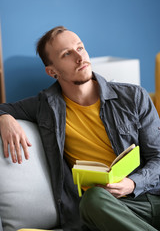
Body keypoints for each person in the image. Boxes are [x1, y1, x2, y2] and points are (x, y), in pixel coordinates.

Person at [0, 26, 160, 231]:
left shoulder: (133, 97)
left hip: (150, 199)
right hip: (104, 208)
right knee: (93, 199)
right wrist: (4, 118)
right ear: (52, 71)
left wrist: (133, 184)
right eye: (66, 54)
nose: (79, 57)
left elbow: (158, 157)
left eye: (80, 48)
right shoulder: (44, 107)